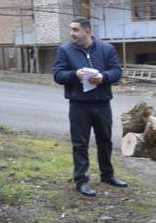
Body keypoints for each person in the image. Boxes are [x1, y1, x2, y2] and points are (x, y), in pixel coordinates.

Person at [53, 17, 127, 197]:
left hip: (102, 103)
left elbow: (116, 71)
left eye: (76, 30)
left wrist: (104, 77)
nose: (72, 34)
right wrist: (74, 74)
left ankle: (107, 175)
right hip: (78, 105)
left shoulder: (106, 49)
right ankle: (81, 181)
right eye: (71, 30)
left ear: (87, 31)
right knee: (80, 144)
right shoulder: (65, 50)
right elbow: (57, 75)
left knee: (105, 141)